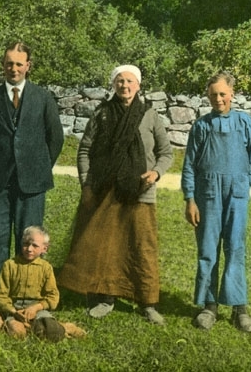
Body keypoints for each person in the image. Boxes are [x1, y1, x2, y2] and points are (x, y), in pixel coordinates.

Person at [58, 65, 173, 324]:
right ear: (113, 84)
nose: (125, 86)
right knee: (107, 247)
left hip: (140, 192)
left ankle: (147, 302)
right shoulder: (102, 114)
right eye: (120, 81)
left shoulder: (149, 115)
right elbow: (85, 150)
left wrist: (155, 173)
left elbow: (166, 153)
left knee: (142, 247)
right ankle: (105, 298)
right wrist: (87, 184)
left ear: (138, 85)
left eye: (130, 81)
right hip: (106, 190)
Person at [0, 42, 64, 290]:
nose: (13, 69)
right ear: (3, 65)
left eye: (18, 64)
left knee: (29, 237)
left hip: (32, 180)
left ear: (28, 66)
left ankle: (26, 287)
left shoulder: (42, 98)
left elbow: (55, 138)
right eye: (9, 64)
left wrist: (38, 165)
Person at [182, 71, 251, 333]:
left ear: (232, 94)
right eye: (213, 95)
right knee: (207, 250)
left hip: (236, 195)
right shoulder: (201, 126)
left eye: (222, 94)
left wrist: (243, 183)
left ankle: (240, 308)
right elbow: (189, 165)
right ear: (208, 96)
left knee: (235, 248)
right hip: (207, 196)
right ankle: (209, 306)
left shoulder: (244, 123)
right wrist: (190, 199)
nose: (218, 99)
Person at [0, 226, 86, 341]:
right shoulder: (9, 265)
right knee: (17, 333)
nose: (29, 249)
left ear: (44, 249)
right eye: (26, 244)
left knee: (52, 331)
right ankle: (27, 327)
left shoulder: (46, 268)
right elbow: (1, 295)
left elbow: (53, 296)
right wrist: (13, 311)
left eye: (35, 246)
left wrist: (37, 307)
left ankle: (65, 327)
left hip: (37, 308)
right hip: (15, 309)